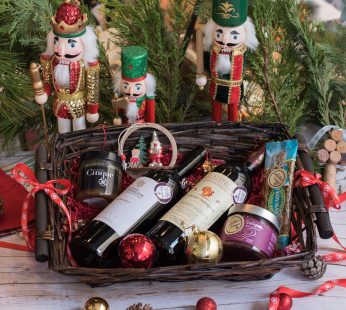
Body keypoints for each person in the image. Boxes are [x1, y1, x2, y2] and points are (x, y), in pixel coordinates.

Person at [34, 0, 100, 133]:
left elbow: (93, 89)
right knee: (62, 133)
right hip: (59, 104)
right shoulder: (51, 61)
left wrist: (93, 110)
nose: (61, 51)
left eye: (71, 44)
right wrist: (43, 94)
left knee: (79, 132)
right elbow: (47, 81)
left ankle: (79, 152)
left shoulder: (87, 65)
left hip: (79, 104)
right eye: (57, 42)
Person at [196, 0, 259, 123]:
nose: (225, 40)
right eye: (219, 34)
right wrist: (201, 73)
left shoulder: (242, 51)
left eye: (234, 36)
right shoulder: (213, 49)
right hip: (216, 86)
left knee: (233, 112)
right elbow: (203, 61)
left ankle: (233, 129)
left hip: (235, 88)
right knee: (215, 111)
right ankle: (215, 127)